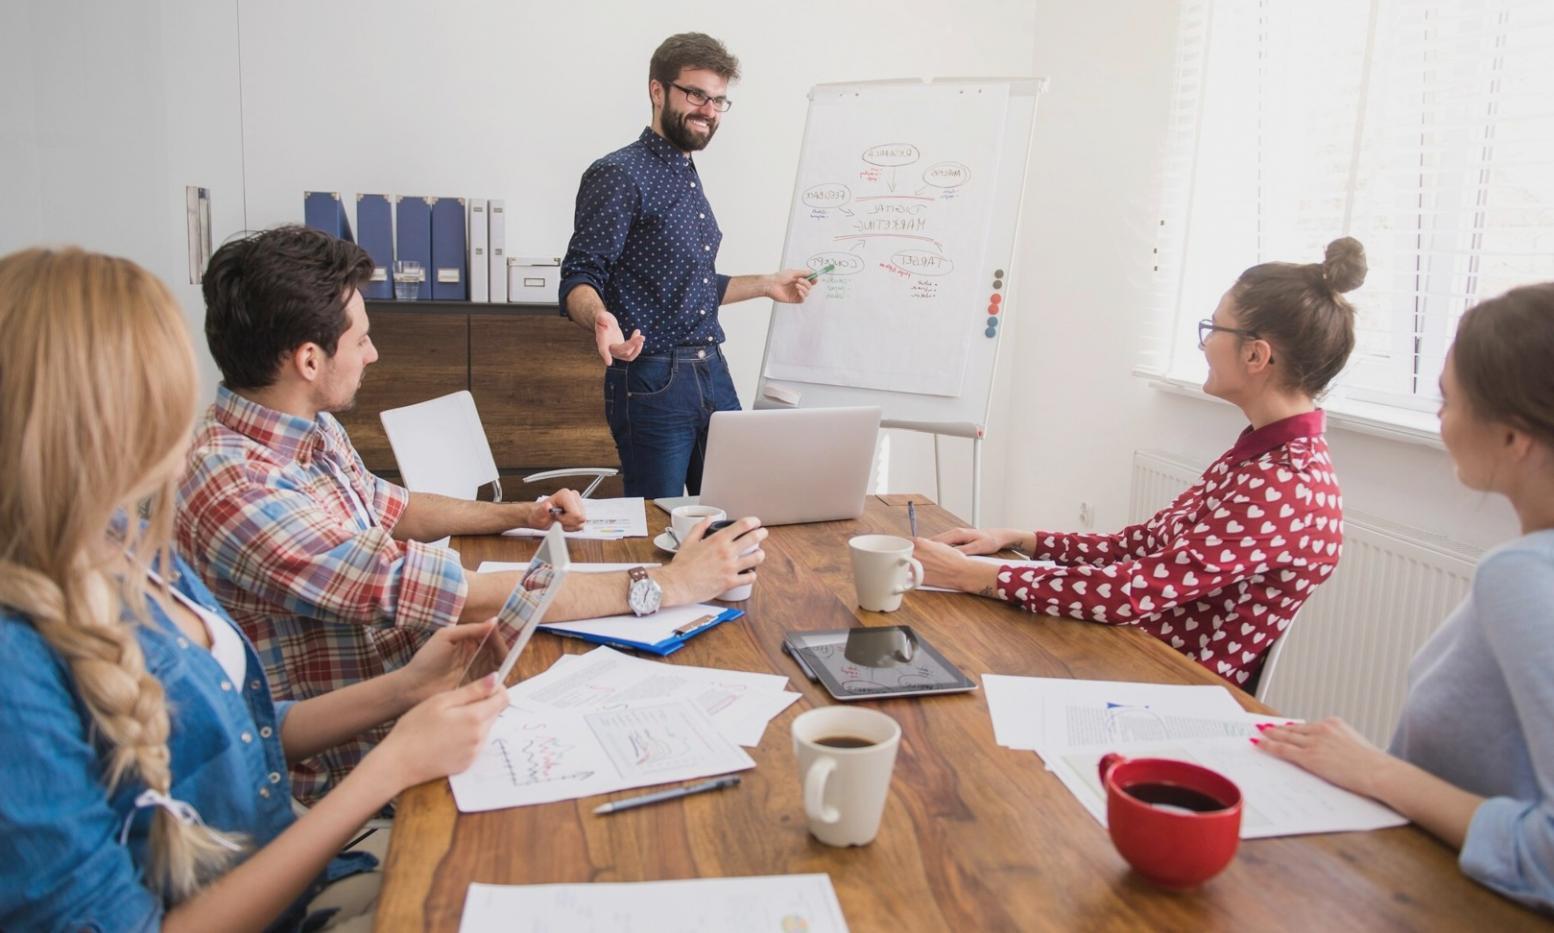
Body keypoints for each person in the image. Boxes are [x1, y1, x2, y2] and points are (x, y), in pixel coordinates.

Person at [0, 247, 510, 930]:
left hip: (305, 851)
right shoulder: (17, 667)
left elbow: (250, 735)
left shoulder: (125, 539)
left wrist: (404, 690)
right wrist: (389, 768)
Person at [177, 225, 766, 802]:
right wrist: (667, 585)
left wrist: (523, 513)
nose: (373, 354)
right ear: (308, 360)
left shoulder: (304, 427)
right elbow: (454, 592)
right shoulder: (238, 486)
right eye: (361, 340)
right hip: (360, 767)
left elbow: (395, 507)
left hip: (417, 688)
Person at [914, 238, 1368, 686]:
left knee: (954, 657)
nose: (1205, 344)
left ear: (1256, 354)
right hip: (1127, 653)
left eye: (1214, 328)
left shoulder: (1285, 483)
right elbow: (1140, 547)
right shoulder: (1262, 456)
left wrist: (975, 576)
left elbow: (1130, 592)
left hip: (1157, 686)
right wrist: (1019, 539)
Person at [1256, 283, 1554, 914]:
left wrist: (1373, 770)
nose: (1441, 420)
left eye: (1449, 400)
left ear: (1516, 435)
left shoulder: (1525, 576)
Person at [559, 32, 813, 498]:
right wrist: (599, 318)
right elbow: (580, 273)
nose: (709, 109)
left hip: (711, 370)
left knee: (738, 509)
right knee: (660, 521)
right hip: (654, 379)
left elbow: (686, 284)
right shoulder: (618, 173)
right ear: (658, 91)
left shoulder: (685, 172)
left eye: (718, 100)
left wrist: (767, 284)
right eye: (696, 93)